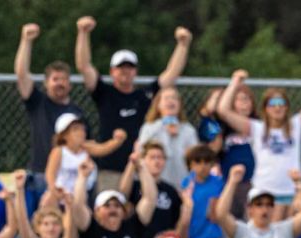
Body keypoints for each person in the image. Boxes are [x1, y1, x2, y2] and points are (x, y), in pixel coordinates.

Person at [75, 16, 192, 192]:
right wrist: (83, 33)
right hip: (111, 170)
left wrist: (183, 45)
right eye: (121, 67)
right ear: (112, 71)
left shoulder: (144, 95)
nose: (125, 71)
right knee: (109, 212)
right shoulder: (104, 93)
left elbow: (171, 74)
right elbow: (84, 66)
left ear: (135, 71)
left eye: (129, 67)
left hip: (141, 170)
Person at [218, 59, 301, 219]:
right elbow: (223, 110)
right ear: (266, 109)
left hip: (291, 193)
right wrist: (235, 82)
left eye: (281, 103)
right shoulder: (256, 128)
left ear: (287, 107)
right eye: (273, 104)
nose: (277, 107)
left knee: (298, 232)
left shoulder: (296, 125)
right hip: (264, 193)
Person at [15, 23, 84, 208]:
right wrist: (26, 41)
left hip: (68, 178)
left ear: (70, 84)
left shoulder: (77, 113)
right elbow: (22, 74)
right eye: (55, 79)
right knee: (40, 227)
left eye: (63, 79)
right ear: (46, 83)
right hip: (40, 174)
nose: (59, 83)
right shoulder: (38, 103)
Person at [198, 83, 255, 217]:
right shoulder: (220, 126)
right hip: (227, 183)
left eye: (247, 99)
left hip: (253, 183)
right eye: (239, 99)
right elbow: (212, 144)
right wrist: (210, 111)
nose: (244, 104)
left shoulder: (257, 125)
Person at [119, 143, 184, 238]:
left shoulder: (171, 191)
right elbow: (123, 194)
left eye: (160, 157)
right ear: (144, 160)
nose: (157, 161)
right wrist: (133, 162)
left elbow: (176, 221)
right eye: (152, 157)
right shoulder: (135, 185)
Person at [44, 113, 126, 197]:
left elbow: (103, 149)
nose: (81, 132)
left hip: (84, 196)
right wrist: (53, 189)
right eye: (75, 129)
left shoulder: (86, 147)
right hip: (62, 195)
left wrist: (117, 141)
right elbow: (50, 173)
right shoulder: (59, 151)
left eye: (82, 129)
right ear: (64, 135)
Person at [136, 88, 199, 189]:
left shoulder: (188, 130)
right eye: (166, 98)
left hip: (181, 182)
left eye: (174, 98)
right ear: (158, 105)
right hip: (156, 183)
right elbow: (142, 152)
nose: (170, 101)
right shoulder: (149, 128)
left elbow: (195, 158)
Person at [180, 144, 225, 238]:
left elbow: (216, 215)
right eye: (198, 162)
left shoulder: (218, 183)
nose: (202, 166)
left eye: (206, 162)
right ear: (190, 164)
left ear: (212, 164)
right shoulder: (186, 183)